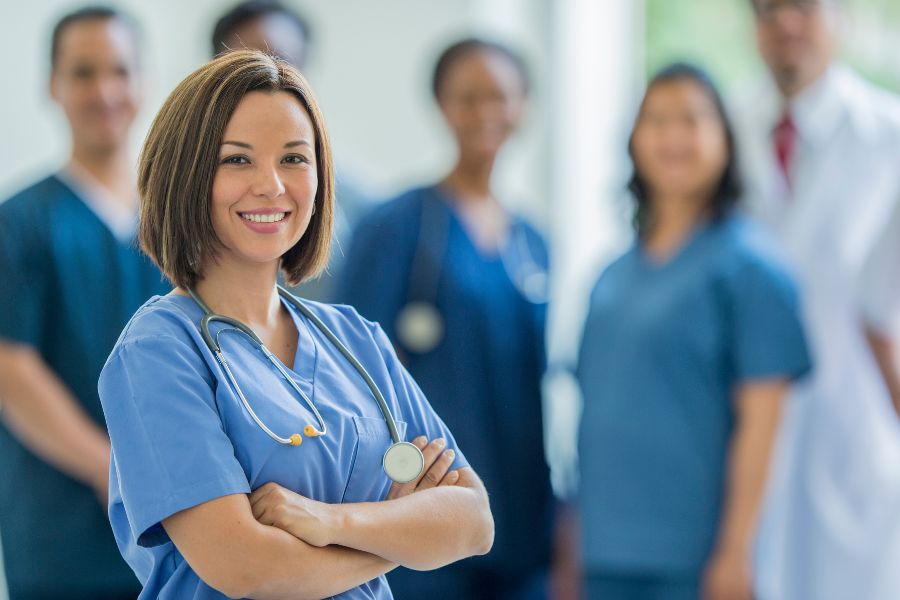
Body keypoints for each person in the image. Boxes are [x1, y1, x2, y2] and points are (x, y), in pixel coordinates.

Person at [97, 49, 493, 599]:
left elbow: (473, 521)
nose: (272, 186)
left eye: (293, 158)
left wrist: (331, 523)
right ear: (184, 173)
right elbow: (246, 567)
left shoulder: (353, 339)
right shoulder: (159, 351)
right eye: (237, 160)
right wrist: (402, 532)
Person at [576, 63, 811, 600]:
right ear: (634, 140)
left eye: (691, 119)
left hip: (696, 560)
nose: (673, 136)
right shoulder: (611, 276)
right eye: (656, 119)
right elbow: (593, 420)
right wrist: (572, 540)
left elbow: (762, 424)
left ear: (726, 139)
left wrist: (736, 551)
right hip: (604, 552)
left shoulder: (752, 269)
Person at [339, 38, 554, 600]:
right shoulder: (396, 226)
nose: (486, 113)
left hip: (523, 524)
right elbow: (350, 377)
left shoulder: (533, 241)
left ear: (524, 105)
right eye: (468, 97)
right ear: (441, 105)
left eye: (500, 97)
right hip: (425, 520)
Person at [734, 2, 900, 598]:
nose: (785, 22)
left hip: (856, 444)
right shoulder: (720, 129)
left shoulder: (890, 136)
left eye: (803, 5)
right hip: (739, 450)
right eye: (766, 8)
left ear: (843, 18)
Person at [0, 7, 164, 598]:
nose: (105, 91)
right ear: (52, 85)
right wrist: (112, 468)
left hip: (180, 518)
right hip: (61, 527)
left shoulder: (179, 225)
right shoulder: (20, 223)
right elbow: (10, 369)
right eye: (83, 73)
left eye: (120, 71)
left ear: (143, 83)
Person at [211, 0, 375, 302]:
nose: (266, 76)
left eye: (282, 61)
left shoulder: (362, 207)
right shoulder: (182, 194)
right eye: (244, 67)